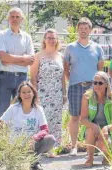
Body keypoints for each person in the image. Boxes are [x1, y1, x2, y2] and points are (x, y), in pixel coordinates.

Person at [63, 17, 104, 156]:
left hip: (93, 88)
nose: (83, 31)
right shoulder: (70, 47)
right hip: (75, 86)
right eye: (81, 29)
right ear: (77, 30)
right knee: (75, 117)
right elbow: (66, 69)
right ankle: (74, 146)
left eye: (86, 29)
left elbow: (100, 70)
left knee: (94, 117)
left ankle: (92, 146)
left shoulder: (97, 48)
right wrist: (74, 80)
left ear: (90, 30)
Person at [0, 81, 56, 170]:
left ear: (33, 93)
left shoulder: (38, 109)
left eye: (29, 92)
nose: (26, 94)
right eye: (24, 92)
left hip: (31, 143)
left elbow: (45, 129)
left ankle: (34, 162)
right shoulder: (14, 108)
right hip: (15, 144)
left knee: (51, 139)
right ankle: (19, 159)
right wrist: (4, 140)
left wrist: (34, 138)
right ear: (20, 95)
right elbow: (0, 123)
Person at [30, 29, 66, 157]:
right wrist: (35, 94)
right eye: (49, 38)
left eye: (53, 38)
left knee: (56, 120)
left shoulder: (60, 56)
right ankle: (39, 147)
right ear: (44, 40)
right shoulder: (38, 56)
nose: (51, 40)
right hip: (42, 93)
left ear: (57, 40)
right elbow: (33, 76)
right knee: (42, 120)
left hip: (57, 93)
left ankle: (52, 148)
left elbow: (63, 76)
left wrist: (64, 93)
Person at [0, 7, 35, 118]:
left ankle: (18, 135)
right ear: (8, 19)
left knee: (22, 109)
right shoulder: (1, 35)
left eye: (17, 17)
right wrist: (23, 59)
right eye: (12, 17)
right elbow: (2, 57)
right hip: (4, 78)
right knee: (3, 112)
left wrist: (10, 59)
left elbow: (31, 60)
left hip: (22, 79)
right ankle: (2, 135)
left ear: (22, 19)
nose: (15, 19)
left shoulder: (27, 37)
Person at [79, 71, 112, 167]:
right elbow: (83, 119)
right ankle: (90, 158)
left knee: (104, 138)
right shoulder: (87, 97)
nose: (97, 85)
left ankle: (107, 157)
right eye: (95, 82)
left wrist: (107, 128)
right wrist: (94, 126)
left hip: (108, 131)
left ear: (106, 84)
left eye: (100, 83)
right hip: (93, 130)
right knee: (90, 130)